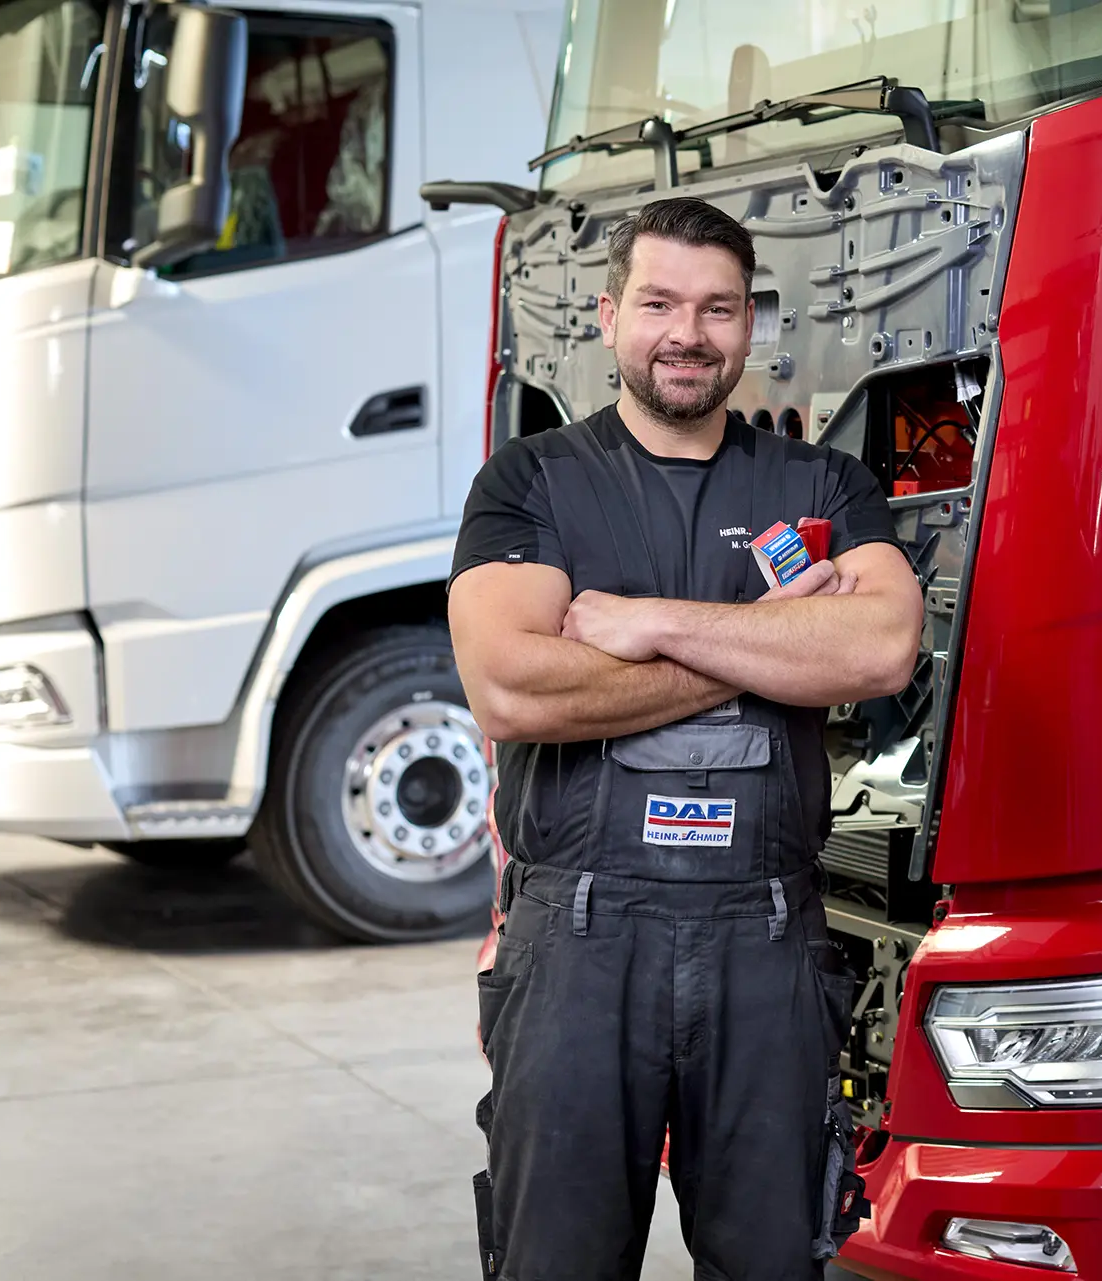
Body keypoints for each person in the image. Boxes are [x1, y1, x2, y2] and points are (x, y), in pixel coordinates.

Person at [448, 197, 923, 1281]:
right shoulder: (532, 483)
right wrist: (769, 651)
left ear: (749, 325)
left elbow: (883, 648)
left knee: (772, 1261)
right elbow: (515, 688)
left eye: (717, 309)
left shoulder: (822, 484)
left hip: (765, 940)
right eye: (659, 303)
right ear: (612, 315)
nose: (687, 334)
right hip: (577, 942)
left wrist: (650, 623)